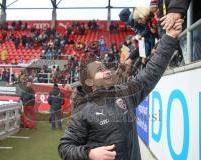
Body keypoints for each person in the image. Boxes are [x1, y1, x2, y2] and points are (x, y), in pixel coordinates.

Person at [58, 18, 183, 159]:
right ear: (89, 81)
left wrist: (170, 37)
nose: (107, 71)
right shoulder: (82, 111)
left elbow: (151, 72)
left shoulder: (125, 93)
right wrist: (90, 153)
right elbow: (65, 147)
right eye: (100, 70)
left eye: (105, 67)